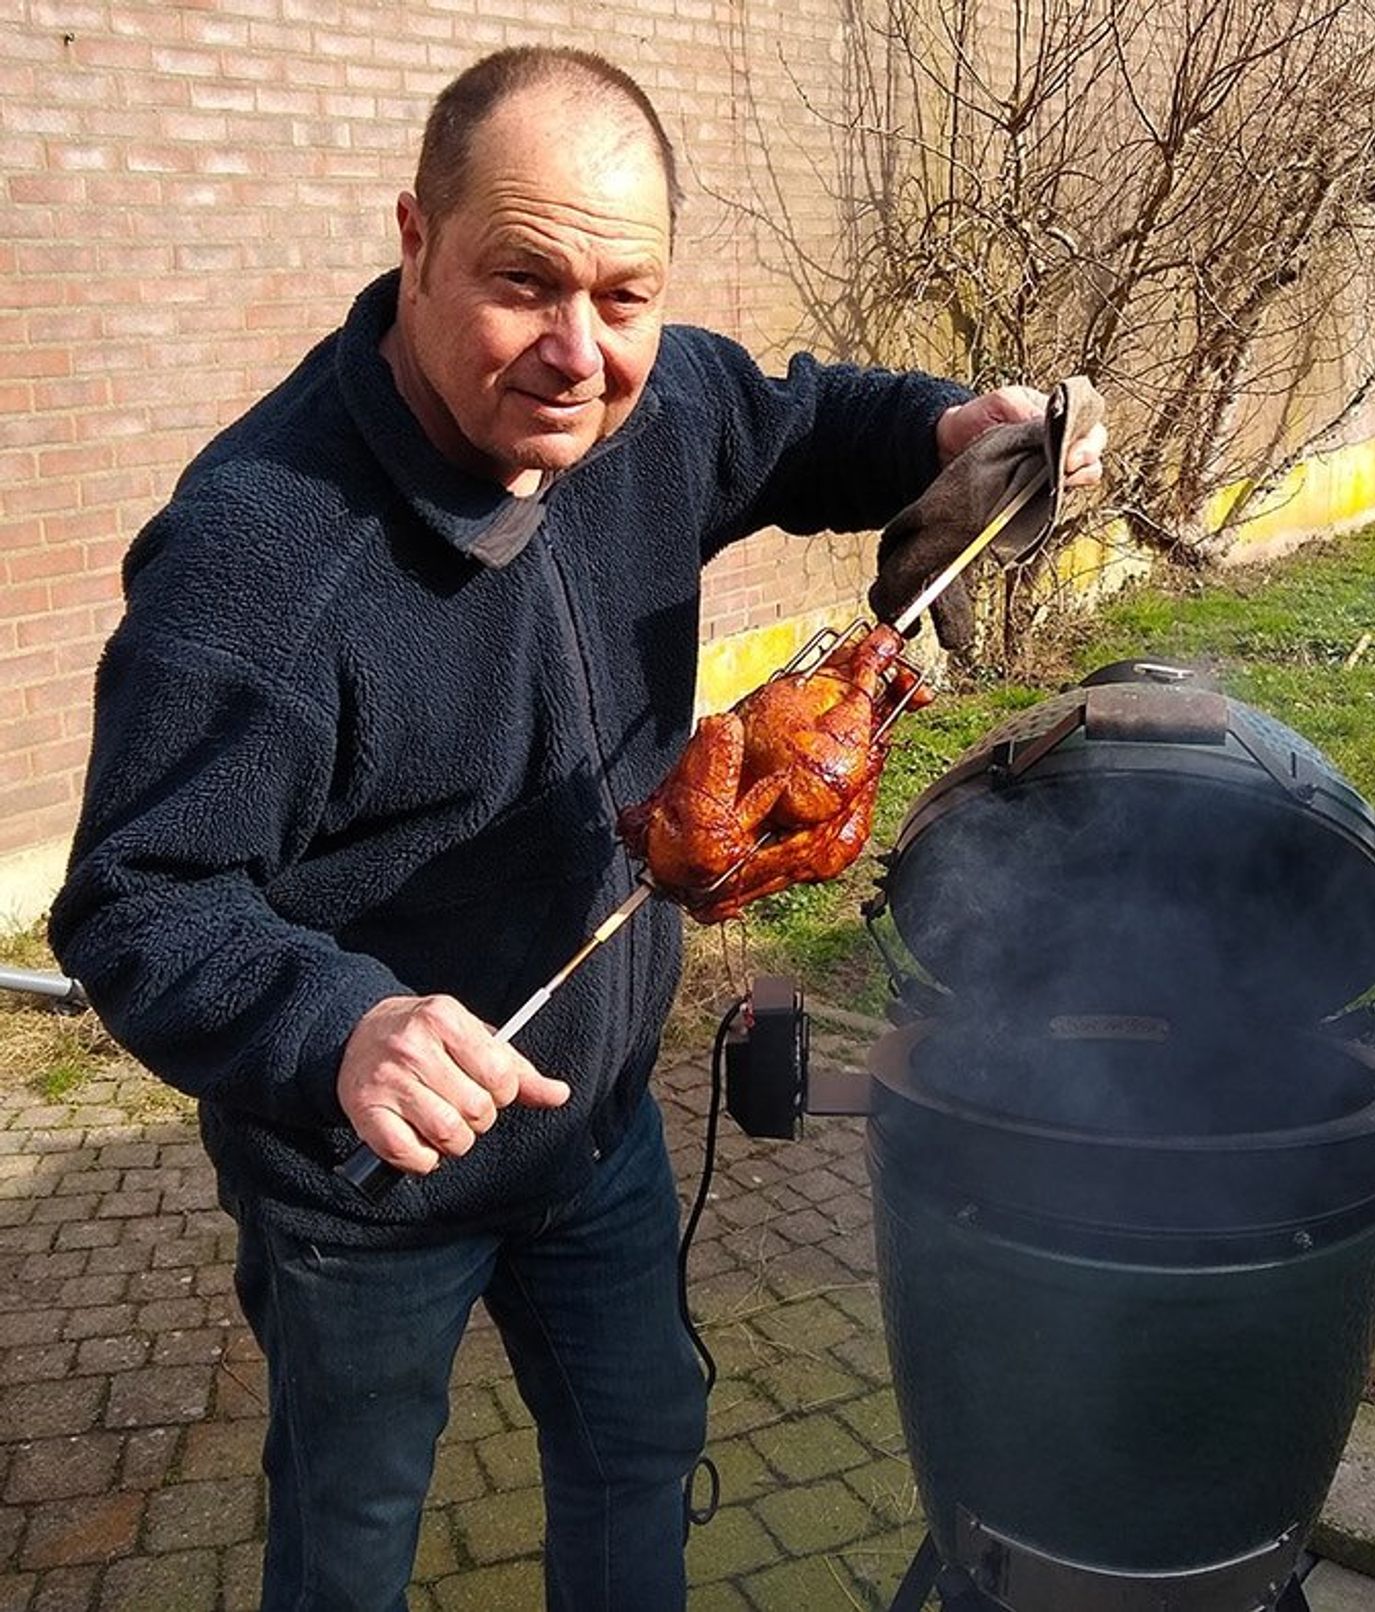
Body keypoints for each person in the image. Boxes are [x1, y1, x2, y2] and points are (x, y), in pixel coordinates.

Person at [49, 46, 1104, 1612]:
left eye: (625, 296)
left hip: (596, 1123)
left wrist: (954, 431)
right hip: (367, 1189)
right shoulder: (255, 560)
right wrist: (341, 1023)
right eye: (523, 282)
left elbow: (800, 421)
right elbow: (135, 898)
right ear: (414, 242)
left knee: (639, 1444)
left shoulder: (653, 401)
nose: (579, 352)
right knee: (350, 1537)